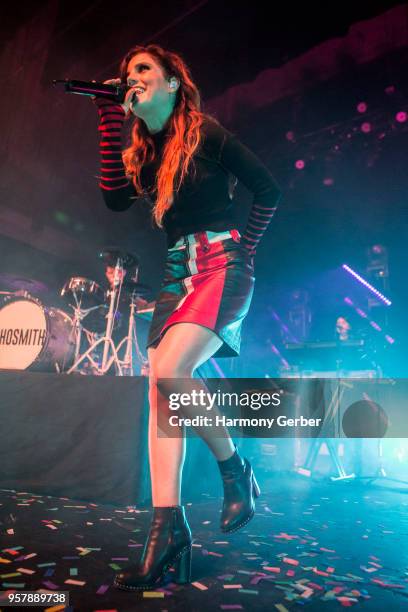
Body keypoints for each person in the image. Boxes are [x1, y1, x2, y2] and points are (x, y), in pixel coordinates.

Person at [93, 44, 281, 590]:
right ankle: (167, 527)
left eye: (144, 70)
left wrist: (245, 246)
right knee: (161, 391)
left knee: (172, 372)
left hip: (222, 263)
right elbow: (112, 199)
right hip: (177, 274)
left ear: (174, 82)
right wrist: (111, 114)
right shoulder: (145, 153)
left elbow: (268, 188)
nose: (133, 78)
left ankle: (234, 467)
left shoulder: (206, 133)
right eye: (128, 74)